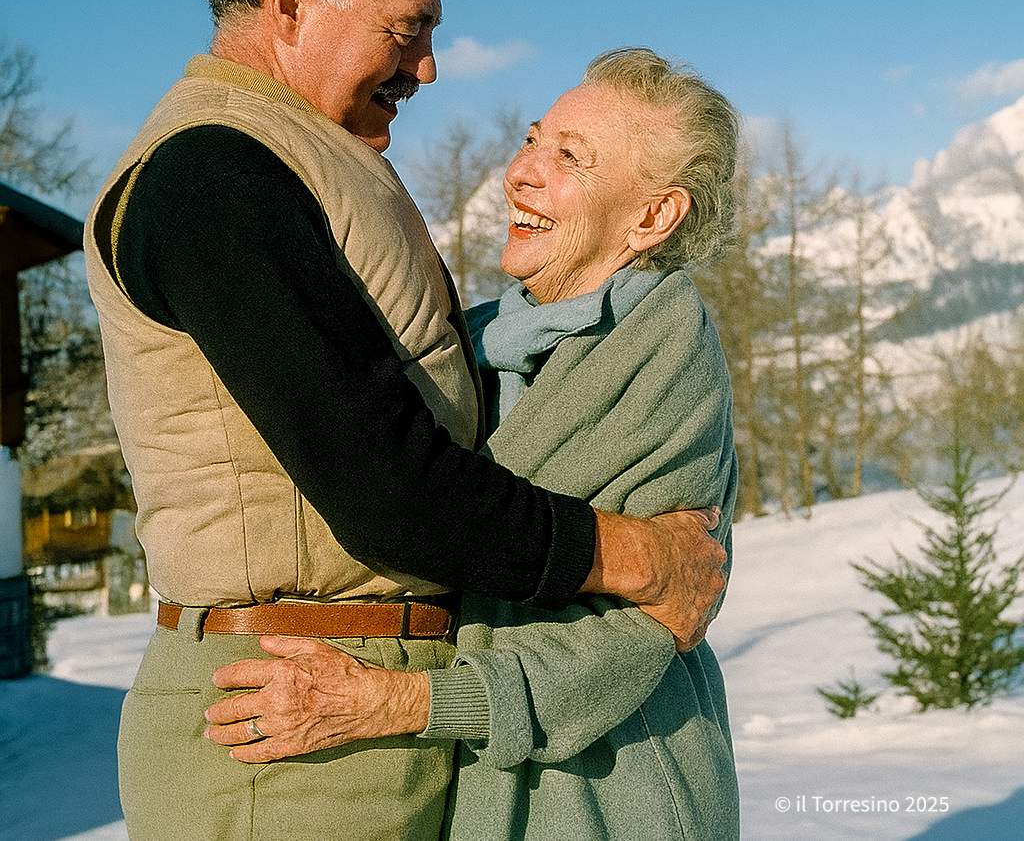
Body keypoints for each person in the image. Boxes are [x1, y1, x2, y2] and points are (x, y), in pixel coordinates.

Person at [83, 0, 726, 841]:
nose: (426, 65)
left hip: (357, 726)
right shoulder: (214, 178)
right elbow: (384, 482)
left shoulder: (296, 158)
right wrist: (634, 554)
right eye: (408, 27)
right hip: (288, 732)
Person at [206, 48, 742, 840]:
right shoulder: (483, 338)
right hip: (474, 784)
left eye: (570, 157)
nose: (520, 172)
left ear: (652, 217)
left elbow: (638, 634)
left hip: (613, 788)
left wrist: (401, 701)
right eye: (533, 139)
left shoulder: (665, 351)